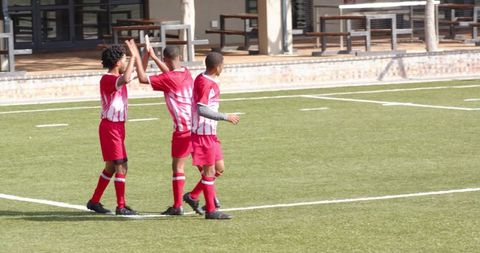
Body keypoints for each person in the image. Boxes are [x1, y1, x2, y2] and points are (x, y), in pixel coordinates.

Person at [127, 40, 193, 215]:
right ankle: (207, 197)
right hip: (196, 127)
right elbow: (170, 73)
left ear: (167, 58)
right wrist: (156, 57)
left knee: (178, 167)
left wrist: (143, 57)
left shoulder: (169, 79)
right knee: (202, 165)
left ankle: (178, 205)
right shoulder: (186, 72)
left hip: (182, 129)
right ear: (179, 57)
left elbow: (142, 78)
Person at [86, 40, 138, 216]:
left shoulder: (116, 79)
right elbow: (127, 78)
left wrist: (139, 56)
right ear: (118, 63)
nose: (126, 62)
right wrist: (133, 56)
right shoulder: (109, 79)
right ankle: (121, 206)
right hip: (111, 128)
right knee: (121, 166)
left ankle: (94, 201)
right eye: (124, 59)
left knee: (111, 167)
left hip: (116, 128)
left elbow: (134, 73)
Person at [187, 52, 240, 219]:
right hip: (202, 135)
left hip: (210, 134)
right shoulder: (205, 83)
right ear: (218, 67)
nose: (223, 67)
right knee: (209, 172)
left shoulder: (203, 79)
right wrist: (226, 117)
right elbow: (202, 109)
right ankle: (211, 210)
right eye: (223, 65)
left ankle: (193, 196)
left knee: (219, 169)